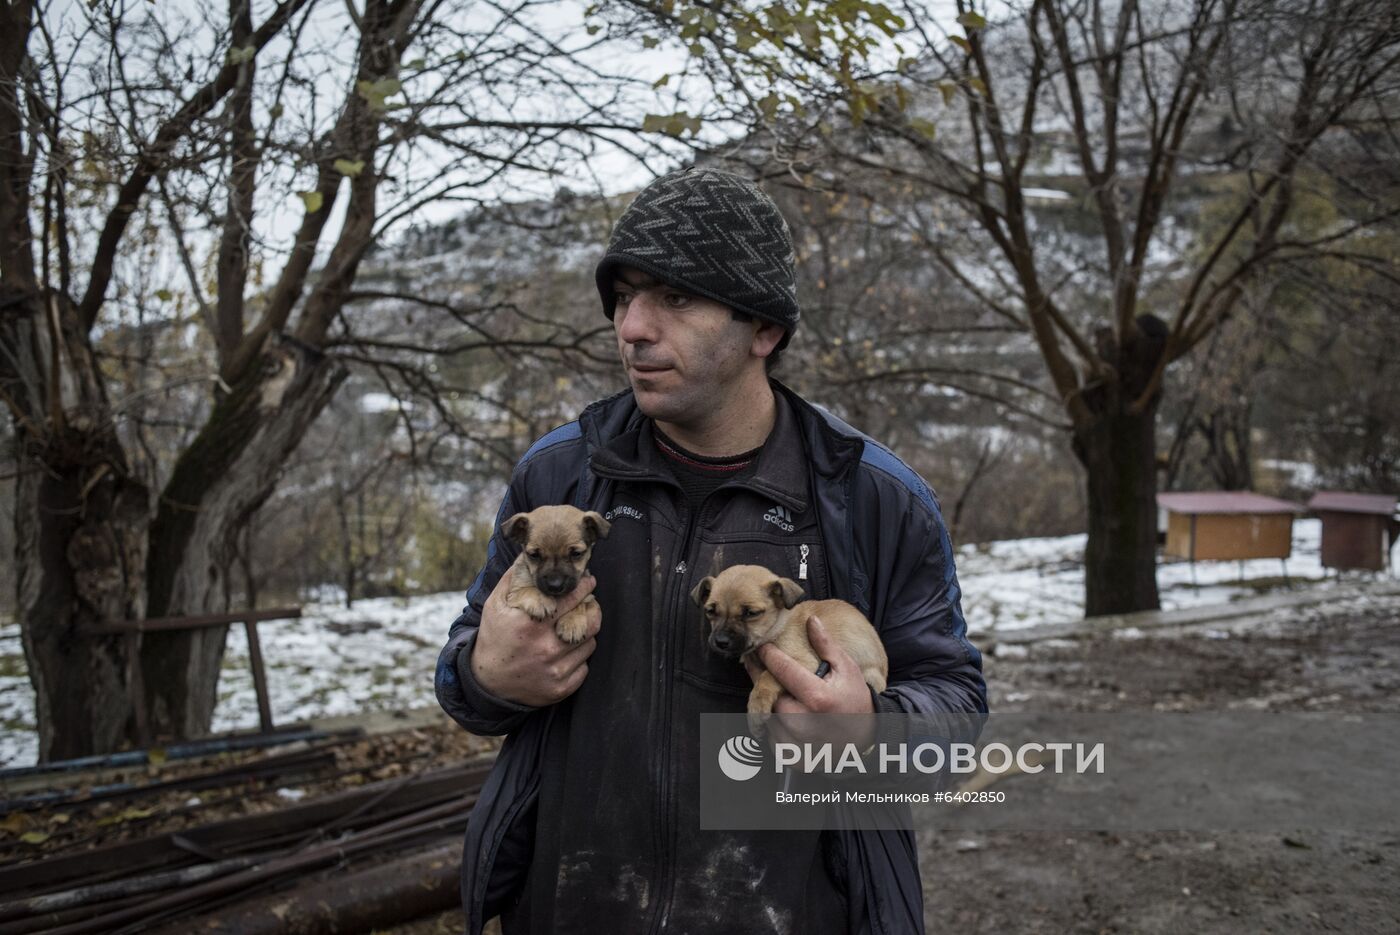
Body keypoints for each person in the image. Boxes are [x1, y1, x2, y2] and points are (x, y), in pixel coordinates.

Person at [435, 166, 987, 935]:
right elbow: (463, 676)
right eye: (624, 296)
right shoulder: (559, 479)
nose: (632, 326)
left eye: (675, 297)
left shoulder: (871, 498)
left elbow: (955, 709)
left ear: (764, 330)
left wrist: (871, 726)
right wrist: (485, 672)